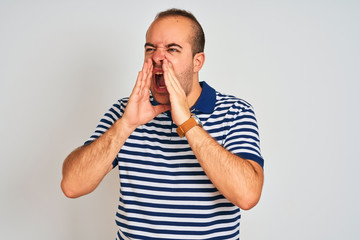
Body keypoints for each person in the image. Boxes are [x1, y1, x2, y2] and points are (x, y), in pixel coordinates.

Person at [61, 8, 264, 239]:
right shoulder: (125, 112)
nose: (158, 57)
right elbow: (72, 185)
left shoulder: (235, 112)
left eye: (172, 49)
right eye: (150, 49)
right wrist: (126, 125)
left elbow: (247, 196)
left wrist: (187, 123)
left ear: (197, 62)